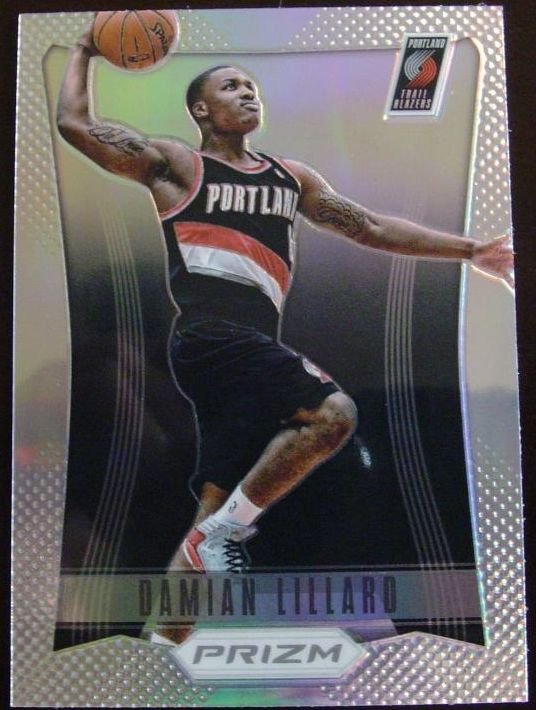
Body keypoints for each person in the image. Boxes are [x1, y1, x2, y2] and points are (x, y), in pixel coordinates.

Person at [57, 27, 513, 582]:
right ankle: (223, 533)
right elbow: (75, 125)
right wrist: (83, 50)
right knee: (333, 415)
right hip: (211, 337)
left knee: (210, 514)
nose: (248, 92)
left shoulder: (291, 178)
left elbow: (370, 226)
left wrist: (471, 251)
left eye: (251, 86)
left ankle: (175, 616)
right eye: (231, 86)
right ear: (201, 110)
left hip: (249, 352)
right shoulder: (177, 166)